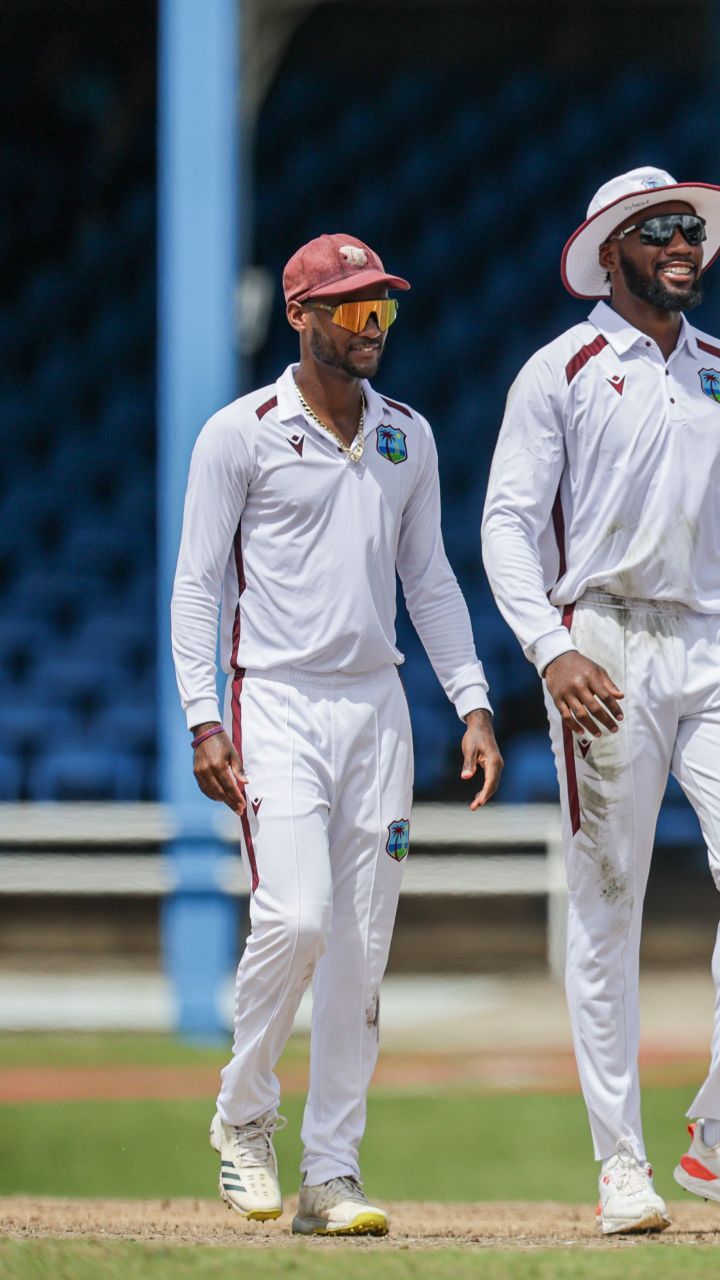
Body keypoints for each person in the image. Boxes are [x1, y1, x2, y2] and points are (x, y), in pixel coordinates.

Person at [481, 166, 720, 1235]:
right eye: (659, 231)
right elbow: (507, 527)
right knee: (608, 902)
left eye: (692, 230)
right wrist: (550, 647)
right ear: (609, 251)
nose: (684, 244)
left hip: (715, 641)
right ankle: (620, 1159)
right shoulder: (559, 370)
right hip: (603, 638)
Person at [172, 233, 504, 1236]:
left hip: (379, 707)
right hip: (273, 698)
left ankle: (332, 1172)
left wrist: (473, 698)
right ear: (301, 315)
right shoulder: (241, 432)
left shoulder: (407, 435)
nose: (372, 326)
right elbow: (199, 583)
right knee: (299, 917)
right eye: (354, 309)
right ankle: (242, 1114)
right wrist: (203, 716)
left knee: (361, 948)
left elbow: (430, 579)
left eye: (383, 310)